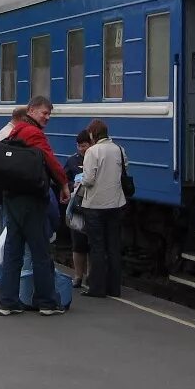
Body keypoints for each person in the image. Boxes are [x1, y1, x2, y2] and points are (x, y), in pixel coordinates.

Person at [0, 96, 68, 317]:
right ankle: (46, 302)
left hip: (12, 198)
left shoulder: (16, 131)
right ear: (32, 111)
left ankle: (8, 302)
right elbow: (50, 160)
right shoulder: (33, 133)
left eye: (48, 114)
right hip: (30, 200)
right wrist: (64, 183)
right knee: (40, 251)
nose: (47, 118)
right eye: (44, 113)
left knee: (13, 251)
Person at [80, 118, 127, 298]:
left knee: (97, 246)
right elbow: (125, 170)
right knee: (113, 246)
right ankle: (114, 288)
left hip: (95, 205)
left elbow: (89, 179)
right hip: (115, 203)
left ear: (93, 134)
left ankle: (97, 288)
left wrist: (80, 181)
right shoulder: (119, 150)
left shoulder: (93, 151)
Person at [63, 129, 93, 288]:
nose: (82, 148)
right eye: (80, 146)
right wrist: (70, 185)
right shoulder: (72, 161)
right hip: (77, 207)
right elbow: (63, 179)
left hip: (93, 205)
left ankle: (90, 276)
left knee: (92, 244)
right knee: (78, 243)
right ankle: (78, 276)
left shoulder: (95, 158)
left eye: (85, 145)